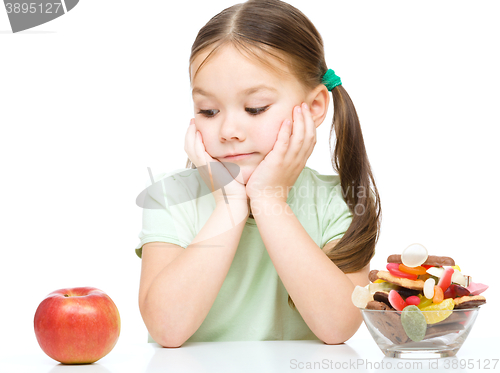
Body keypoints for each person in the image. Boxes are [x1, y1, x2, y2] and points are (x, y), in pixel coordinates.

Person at [136, 0, 381, 348]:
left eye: (255, 108)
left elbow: (338, 326)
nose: (229, 130)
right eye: (208, 111)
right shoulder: (171, 197)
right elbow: (167, 329)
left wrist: (268, 199)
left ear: (313, 108)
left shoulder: (335, 201)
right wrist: (231, 204)